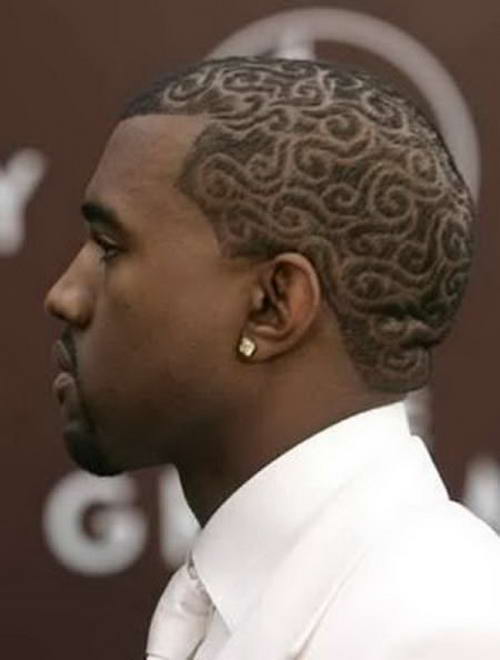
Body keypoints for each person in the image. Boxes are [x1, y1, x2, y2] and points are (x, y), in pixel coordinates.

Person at [45, 57, 500, 659]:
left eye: (109, 247)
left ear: (273, 304)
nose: (64, 296)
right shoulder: (239, 598)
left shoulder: (444, 630)